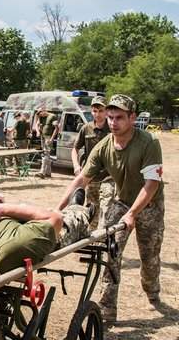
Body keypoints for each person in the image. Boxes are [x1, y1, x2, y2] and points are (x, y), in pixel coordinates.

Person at [56, 94, 165, 324]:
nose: (113, 122)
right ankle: (107, 309)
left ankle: (152, 291)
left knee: (149, 257)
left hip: (150, 204)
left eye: (120, 118)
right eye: (111, 117)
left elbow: (152, 184)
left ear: (132, 118)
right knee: (110, 252)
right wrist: (57, 209)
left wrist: (133, 214)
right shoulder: (104, 146)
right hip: (122, 202)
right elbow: (81, 180)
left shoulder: (149, 143)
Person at [0, 192, 95, 277]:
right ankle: (79, 211)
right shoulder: (11, 246)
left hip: (23, 223)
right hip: (59, 230)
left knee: (33, 209)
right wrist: (2, 209)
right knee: (70, 220)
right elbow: (54, 219)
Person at [70, 96, 115, 229]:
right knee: (92, 209)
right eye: (95, 111)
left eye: (101, 110)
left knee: (107, 208)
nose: (98, 114)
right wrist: (76, 165)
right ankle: (93, 238)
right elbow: (75, 148)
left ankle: (104, 235)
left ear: (106, 111)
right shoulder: (86, 128)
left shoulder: (113, 128)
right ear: (91, 111)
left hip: (109, 176)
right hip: (92, 177)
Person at [34, 109, 59, 179]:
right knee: (46, 154)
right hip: (43, 137)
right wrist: (37, 131)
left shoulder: (52, 116)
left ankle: (42, 172)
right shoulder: (41, 117)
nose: (41, 116)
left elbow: (56, 128)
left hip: (48, 137)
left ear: (44, 110)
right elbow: (37, 124)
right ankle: (48, 173)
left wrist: (51, 139)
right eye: (39, 115)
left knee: (45, 154)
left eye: (41, 114)